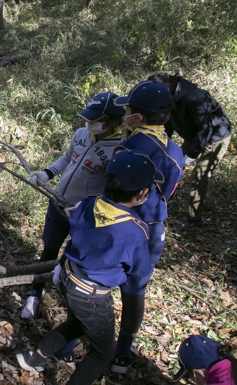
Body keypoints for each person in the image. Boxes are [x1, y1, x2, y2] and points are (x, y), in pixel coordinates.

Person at [16, 149, 160, 385]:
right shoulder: (135, 229)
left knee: (79, 323)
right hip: (92, 295)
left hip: (67, 277)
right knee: (103, 352)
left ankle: (36, 356)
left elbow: (75, 229)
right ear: (143, 193)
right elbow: (139, 269)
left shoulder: (89, 202)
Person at [22, 92, 125, 364]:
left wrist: (85, 209)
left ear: (111, 121)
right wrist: (46, 174)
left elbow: (110, 192)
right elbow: (66, 159)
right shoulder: (81, 134)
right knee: (48, 252)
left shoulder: (119, 151)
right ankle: (34, 296)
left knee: (73, 269)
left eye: (96, 120)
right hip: (58, 206)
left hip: (84, 218)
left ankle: (69, 330)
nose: (90, 124)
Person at [111, 80, 184, 373]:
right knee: (135, 292)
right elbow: (169, 192)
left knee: (97, 282)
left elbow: (112, 192)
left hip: (122, 227)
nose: (124, 114)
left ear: (137, 118)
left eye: (127, 109)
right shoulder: (175, 150)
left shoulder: (129, 146)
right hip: (154, 229)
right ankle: (122, 355)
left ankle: (68, 347)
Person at [148, 73, 232, 228]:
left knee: (199, 176)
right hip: (193, 134)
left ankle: (194, 220)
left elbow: (206, 128)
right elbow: (167, 125)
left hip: (215, 137)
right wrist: (162, 147)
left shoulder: (193, 98)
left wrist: (192, 155)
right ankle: (161, 204)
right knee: (173, 168)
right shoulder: (168, 98)